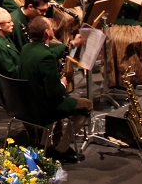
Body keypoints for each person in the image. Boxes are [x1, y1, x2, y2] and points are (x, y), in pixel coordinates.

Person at [19, 16, 93, 163]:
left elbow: (50, 53)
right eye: (51, 27)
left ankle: (45, 144)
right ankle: (62, 150)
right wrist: (63, 83)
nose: (53, 29)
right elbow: (55, 94)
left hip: (25, 106)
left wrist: (72, 45)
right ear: (47, 32)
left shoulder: (26, 48)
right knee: (87, 105)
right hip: (43, 109)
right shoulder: (46, 57)